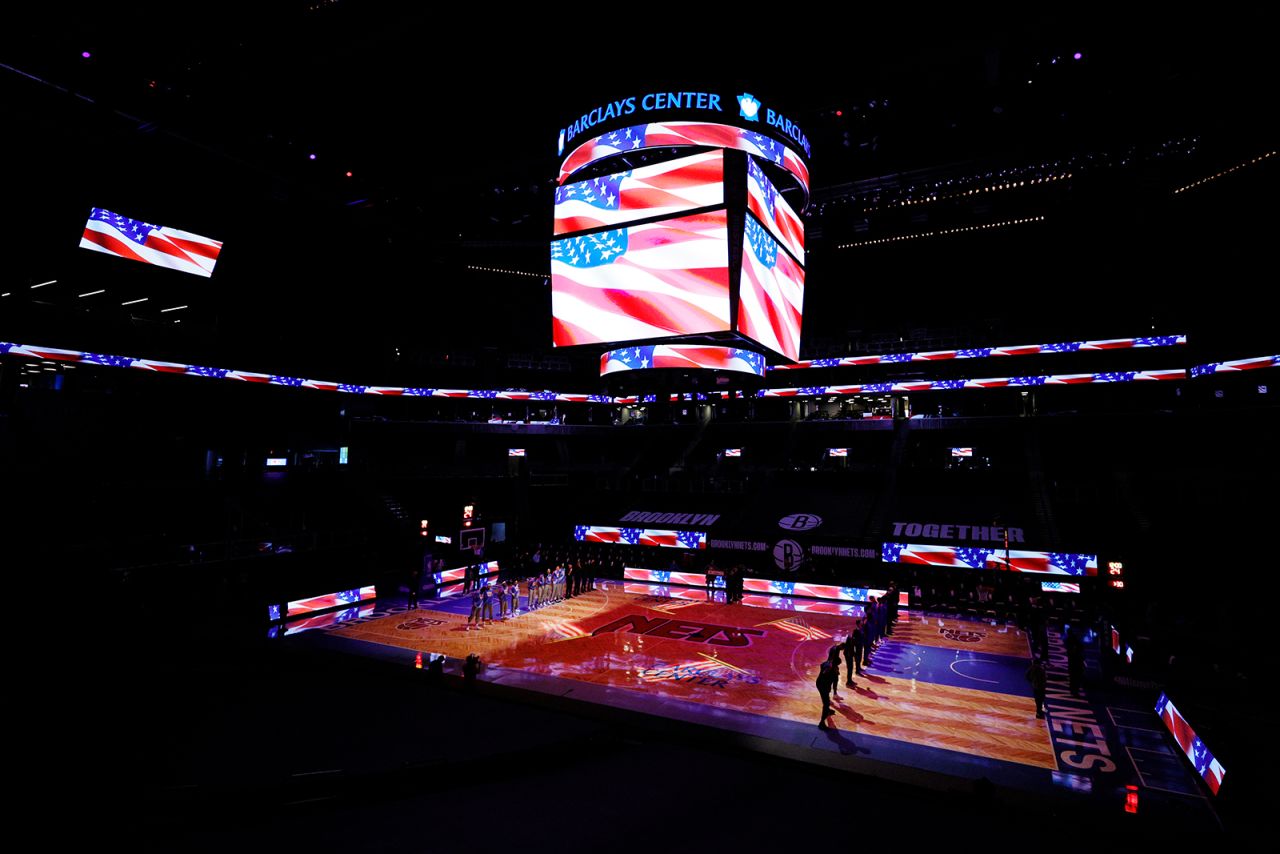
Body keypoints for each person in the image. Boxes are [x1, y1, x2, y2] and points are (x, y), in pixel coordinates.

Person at [816, 655, 839, 729]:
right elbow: (834, 683)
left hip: (819, 684)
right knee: (826, 704)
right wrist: (834, 691)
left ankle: (828, 711)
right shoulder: (834, 672)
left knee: (826, 700)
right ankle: (822, 723)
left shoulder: (826, 663)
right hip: (824, 687)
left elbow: (822, 665)